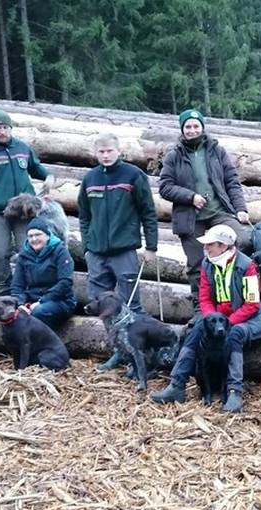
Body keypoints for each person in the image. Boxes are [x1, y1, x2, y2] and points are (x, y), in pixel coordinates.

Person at [150, 224, 261, 413]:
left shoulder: (246, 265)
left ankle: (234, 392)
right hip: (219, 318)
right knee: (198, 327)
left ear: (223, 246)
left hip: (249, 319)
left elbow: (252, 304)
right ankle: (177, 385)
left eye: (210, 245)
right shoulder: (207, 263)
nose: (205, 249)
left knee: (234, 334)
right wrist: (209, 320)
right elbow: (205, 297)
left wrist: (227, 322)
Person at [79, 133, 159, 368]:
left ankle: (142, 354)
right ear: (96, 153)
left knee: (131, 304)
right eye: (101, 152)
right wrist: (86, 246)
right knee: (101, 307)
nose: (105, 155)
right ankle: (119, 350)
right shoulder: (90, 178)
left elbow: (148, 212)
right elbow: (84, 216)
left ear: (119, 150)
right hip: (96, 253)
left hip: (124, 251)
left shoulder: (133, 175)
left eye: (109, 151)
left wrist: (151, 246)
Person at [159, 108, 252, 310]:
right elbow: (165, 187)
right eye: (188, 127)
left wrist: (240, 208)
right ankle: (201, 307)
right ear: (182, 130)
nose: (192, 130)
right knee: (197, 263)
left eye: (196, 126)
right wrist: (190, 197)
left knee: (243, 241)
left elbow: (232, 181)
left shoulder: (216, 150)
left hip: (219, 211)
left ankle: (239, 296)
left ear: (202, 127)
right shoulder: (174, 155)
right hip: (190, 218)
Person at [0, 110, 55, 295]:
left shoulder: (22, 147)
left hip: (25, 210)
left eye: (5, 127)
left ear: (10, 128)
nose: (2, 132)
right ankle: (5, 289)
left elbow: (35, 167)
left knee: (30, 247)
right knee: (0, 252)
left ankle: (33, 286)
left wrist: (48, 176)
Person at [10, 216, 76, 331]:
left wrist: (42, 301)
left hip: (60, 300)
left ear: (47, 235)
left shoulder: (60, 251)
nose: (34, 239)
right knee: (15, 314)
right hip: (32, 299)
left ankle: (46, 345)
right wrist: (20, 304)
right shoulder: (23, 256)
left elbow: (65, 282)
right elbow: (17, 286)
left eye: (38, 235)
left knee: (39, 312)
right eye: (30, 236)